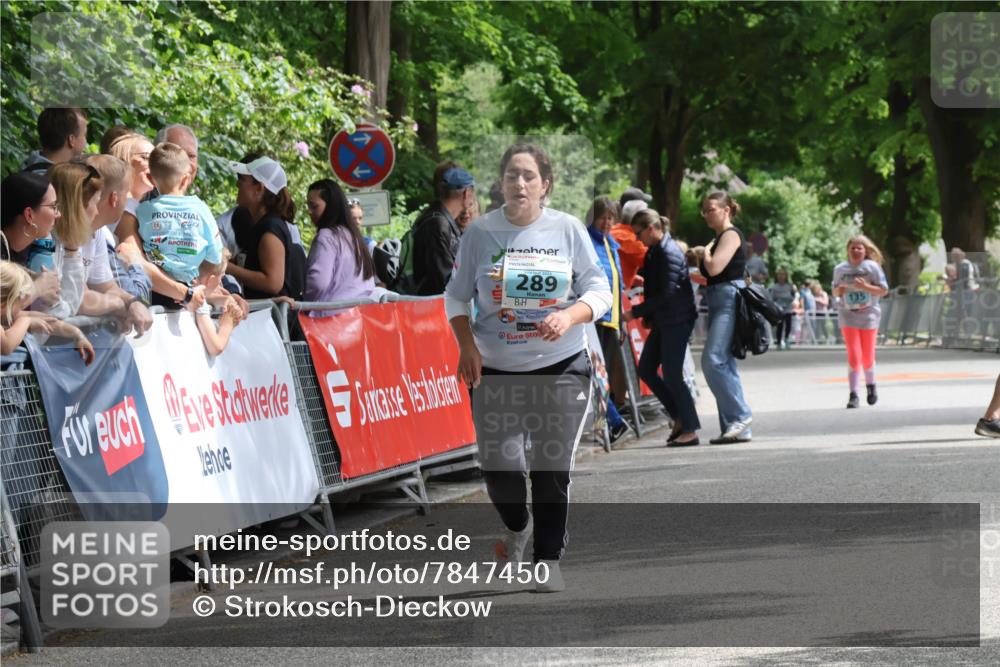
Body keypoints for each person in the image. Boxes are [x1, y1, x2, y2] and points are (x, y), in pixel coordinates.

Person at [445, 143, 611, 593]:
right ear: (500, 183)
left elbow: (599, 288)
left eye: (529, 176)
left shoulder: (567, 229)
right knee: (499, 471)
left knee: (550, 465)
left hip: (560, 364)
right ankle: (518, 527)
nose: (520, 184)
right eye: (512, 176)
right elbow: (457, 296)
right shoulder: (479, 233)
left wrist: (570, 315)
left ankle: (547, 559)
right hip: (496, 367)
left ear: (546, 185)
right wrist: (467, 345)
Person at [623, 210, 700, 446]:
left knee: (672, 374)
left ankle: (690, 428)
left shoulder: (669, 252)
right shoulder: (657, 250)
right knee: (646, 368)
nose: (637, 239)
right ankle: (678, 416)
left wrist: (635, 312)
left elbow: (667, 292)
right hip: (665, 320)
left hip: (677, 319)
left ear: (650, 229)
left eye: (638, 233)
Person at [693, 191, 753, 444]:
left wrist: (702, 253)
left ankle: (741, 416)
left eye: (711, 209)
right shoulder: (719, 237)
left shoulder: (730, 235)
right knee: (724, 362)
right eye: (704, 210)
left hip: (728, 300)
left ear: (726, 210)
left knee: (713, 360)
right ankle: (736, 426)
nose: (707, 214)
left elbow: (715, 267)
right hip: (719, 299)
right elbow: (713, 276)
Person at [134, 142, 221, 309]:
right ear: (185, 179)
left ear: (151, 179)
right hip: (189, 288)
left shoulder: (142, 210)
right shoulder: (201, 209)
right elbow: (215, 255)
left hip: (154, 290)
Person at [584, 196, 631, 444]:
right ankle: (611, 423)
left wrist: (621, 318)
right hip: (593, 318)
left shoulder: (611, 244)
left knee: (604, 376)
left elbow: (618, 284)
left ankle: (608, 425)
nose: (607, 222)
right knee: (594, 374)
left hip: (610, 320)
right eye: (603, 216)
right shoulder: (586, 241)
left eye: (611, 217)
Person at [225, 156, 305, 300]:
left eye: (242, 180)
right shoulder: (262, 225)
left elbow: (273, 283)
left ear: (259, 188)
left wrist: (228, 268)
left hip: (270, 318)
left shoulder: (270, 229)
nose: (237, 184)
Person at [40, 162, 105, 318]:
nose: (97, 211)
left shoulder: (65, 242)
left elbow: (71, 305)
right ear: (77, 206)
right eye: (95, 203)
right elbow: (57, 313)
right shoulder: (42, 245)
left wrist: (72, 249)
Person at [832, 235, 889, 409]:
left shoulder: (872, 268)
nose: (856, 251)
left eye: (860, 248)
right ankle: (853, 394)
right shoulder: (840, 269)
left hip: (869, 314)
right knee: (854, 355)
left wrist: (865, 287)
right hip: (848, 314)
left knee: (867, 356)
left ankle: (871, 386)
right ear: (847, 251)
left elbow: (883, 290)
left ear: (866, 251)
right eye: (853, 248)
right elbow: (834, 292)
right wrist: (840, 289)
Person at [301, 179, 376, 308]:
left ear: (331, 206)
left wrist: (303, 303)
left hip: (330, 318)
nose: (309, 211)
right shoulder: (354, 235)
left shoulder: (326, 236)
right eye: (308, 206)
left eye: (314, 206)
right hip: (359, 315)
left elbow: (318, 283)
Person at [1, 261, 94, 363]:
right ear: (4, 304)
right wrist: (25, 321)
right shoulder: (19, 317)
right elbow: (6, 345)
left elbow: (46, 321)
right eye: (19, 305)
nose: (21, 310)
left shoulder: (10, 313)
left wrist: (77, 334)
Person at [412, 162, 476, 296]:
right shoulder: (438, 225)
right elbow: (446, 280)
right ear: (466, 193)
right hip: (434, 311)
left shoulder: (439, 220)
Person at [0, 172, 62, 309]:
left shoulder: (25, 248)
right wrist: (38, 288)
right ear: (29, 215)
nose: (58, 214)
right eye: (53, 207)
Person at [192, 252, 243, 356]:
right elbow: (216, 347)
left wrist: (226, 300)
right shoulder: (199, 302)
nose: (221, 283)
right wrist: (228, 323)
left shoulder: (187, 291)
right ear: (210, 280)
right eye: (222, 276)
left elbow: (207, 295)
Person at [22, 108, 89, 173]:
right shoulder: (56, 181)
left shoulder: (28, 168)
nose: (85, 142)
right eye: (84, 135)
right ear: (71, 140)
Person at [610, 194, 650, 290]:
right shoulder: (633, 241)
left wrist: (631, 277)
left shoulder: (612, 231)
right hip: (616, 291)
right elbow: (653, 263)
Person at [769, 268, 798, 350]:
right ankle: (778, 343)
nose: (781, 276)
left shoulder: (789, 286)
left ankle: (787, 339)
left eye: (783, 274)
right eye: (779, 274)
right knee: (779, 326)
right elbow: (771, 298)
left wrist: (787, 299)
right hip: (779, 309)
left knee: (788, 325)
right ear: (777, 276)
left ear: (786, 276)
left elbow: (793, 296)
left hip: (788, 309)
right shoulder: (774, 287)